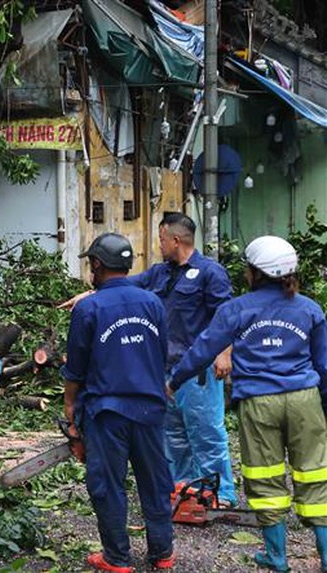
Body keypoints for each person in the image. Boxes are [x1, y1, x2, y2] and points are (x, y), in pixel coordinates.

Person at [168, 236, 327, 573]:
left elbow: (202, 350)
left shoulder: (236, 309)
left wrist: (174, 380)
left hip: (259, 402)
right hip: (304, 400)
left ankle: (277, 557)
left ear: (253, 272)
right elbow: (323, 364)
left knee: (265, 476)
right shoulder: (310, 309)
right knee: (315, 475)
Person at [60, 213, 237, 506]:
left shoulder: (210, 272)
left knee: (206, 434)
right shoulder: (160, 273)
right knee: (173, 439)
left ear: (175, 239)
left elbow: (226, 316)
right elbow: (122, 284)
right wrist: (89, 294)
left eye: (162, 239)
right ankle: (183, 491)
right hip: (164, 372)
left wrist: (224, 352)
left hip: (197, 371)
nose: (159, 245)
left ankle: (221, 494)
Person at [61, 233, 174, 573]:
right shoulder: (152, 303)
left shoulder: (89, 307)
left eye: (90, 263)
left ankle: (116, 557)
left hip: (107, 412)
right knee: (154, 481)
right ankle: (162, 553)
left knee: (108, 485)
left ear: (97, 264)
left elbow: (76, 367)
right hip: (150, 408)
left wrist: (70, 409)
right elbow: (161, 353)